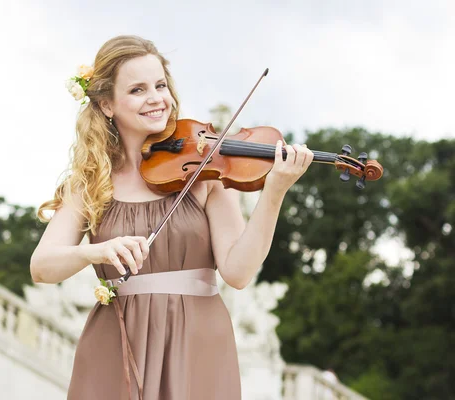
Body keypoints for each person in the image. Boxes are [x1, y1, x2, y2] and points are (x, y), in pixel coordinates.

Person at [30, 35, 314, 400]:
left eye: (160, 85)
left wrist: (274, 191)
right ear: (106, 104)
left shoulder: (205, 173)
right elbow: (42, 266)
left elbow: (238, 273)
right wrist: (95, 253)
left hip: (197, 337)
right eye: (137, 89)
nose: (156, 98)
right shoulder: (90, 183)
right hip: (116, 340)